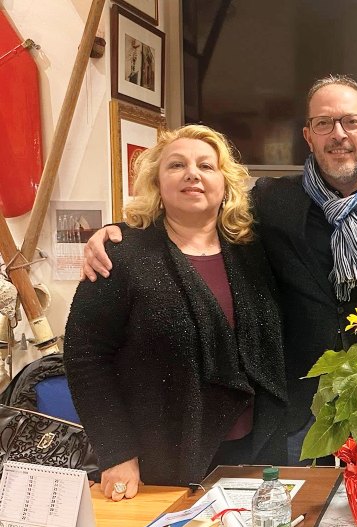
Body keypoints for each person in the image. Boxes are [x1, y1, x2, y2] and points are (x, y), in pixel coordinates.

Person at [81, 75, 357, 464]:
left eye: (350, 122)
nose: (338, 134)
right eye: (324, 123)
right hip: (296, 409)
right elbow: (199, 212)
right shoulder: (271, 200)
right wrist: (118, 233)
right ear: (308, 136)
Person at [64, 125, 287, 499]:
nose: (192, 174)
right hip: (161, 461)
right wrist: (117, 452)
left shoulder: (251, 251)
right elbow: (85, 356)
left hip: (253, 452)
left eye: (206, 166)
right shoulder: (121, 254)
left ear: (225, 184)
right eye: (177, 165)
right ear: (157, 182)